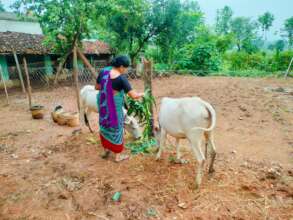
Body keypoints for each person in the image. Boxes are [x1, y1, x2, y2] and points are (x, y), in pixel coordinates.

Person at [95, 55, 144, 162]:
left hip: (103, 105)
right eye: (126, 68)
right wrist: (143, 94)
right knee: (116, 127)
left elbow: (97, 87)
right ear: (121, 66)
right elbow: (133, 96)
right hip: (113, 107)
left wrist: (107, 88)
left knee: (104, 126)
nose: (126, 70)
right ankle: (117, 156)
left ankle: (106, 151)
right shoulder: (121, 78)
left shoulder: (104, 71)